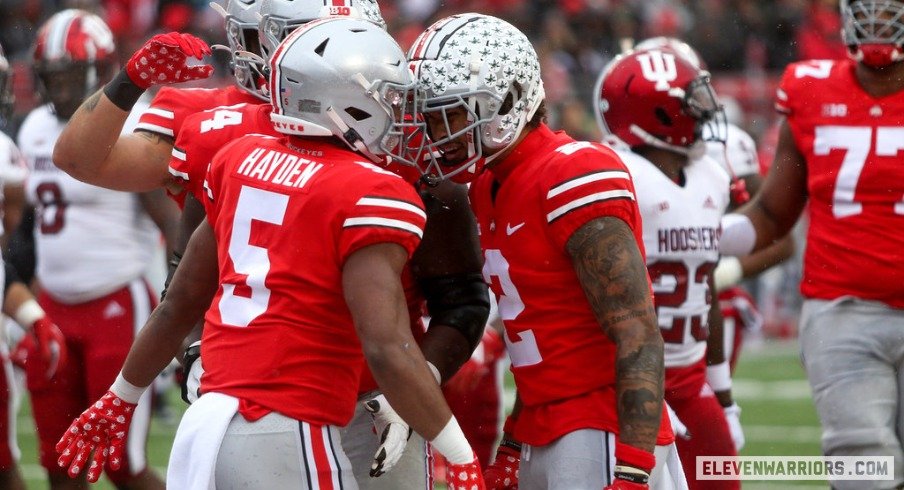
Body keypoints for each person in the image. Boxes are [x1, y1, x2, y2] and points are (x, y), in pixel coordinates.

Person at [55, 17, 486, 490]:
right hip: (293, 420)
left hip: (209, 423)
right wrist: (460, 455)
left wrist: (121, 395)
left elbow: (179, 302)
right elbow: (385, 345)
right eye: (390, 98)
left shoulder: (240, 156)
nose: (403, 114)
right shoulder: (373, 190)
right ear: (344, 103)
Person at [411, 13, 678, 490]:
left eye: (451, 114)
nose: (437, 132)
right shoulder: (490, 184)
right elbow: (543, 348)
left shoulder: (572, 172)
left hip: (603, 427)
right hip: (546, 426)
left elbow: (638, 334)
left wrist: (634, 470)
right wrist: (514, 441)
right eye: (430, 116)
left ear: (508, 102)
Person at [719, 1, 904, 488]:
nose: (879, 24)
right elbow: (772, 213)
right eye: (870, 10)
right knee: (862, 463)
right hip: (843, 310)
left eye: (891, 12)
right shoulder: (812, 88)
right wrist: (701, 239)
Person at [18, 10, 179, 489]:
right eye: (53, 79)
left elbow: (169, 220)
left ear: (99, 70)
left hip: (116, 301)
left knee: (120, 464)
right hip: (52, 305)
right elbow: (33, 224)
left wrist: (180, 306)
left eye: (70, 78)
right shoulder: (34, 129)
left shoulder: (135, 122)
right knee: (60, 462)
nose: (60, 91)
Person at [596, 46, 740, 489]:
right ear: (658, 113)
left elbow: (707, 292)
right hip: (623, 382)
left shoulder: (710, 177)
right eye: (691, 101)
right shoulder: (617, 174)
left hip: (691, 381)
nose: (705, 111)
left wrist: (723, 395)